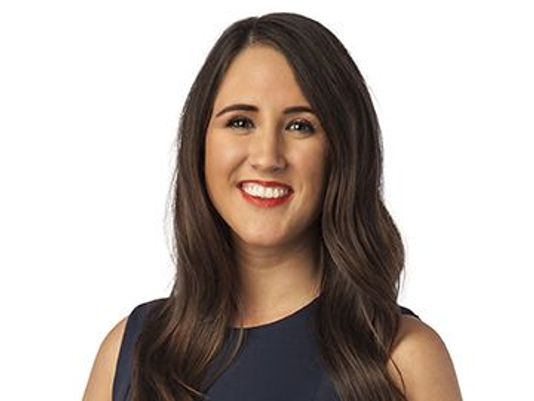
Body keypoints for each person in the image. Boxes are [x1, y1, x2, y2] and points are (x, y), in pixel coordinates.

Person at [82, 12, 463, 401]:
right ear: (200, 144)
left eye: (300, 126)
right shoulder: (131, 353)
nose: (267, 157)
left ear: (342, 151)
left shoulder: (403, 359)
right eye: (241, 122)